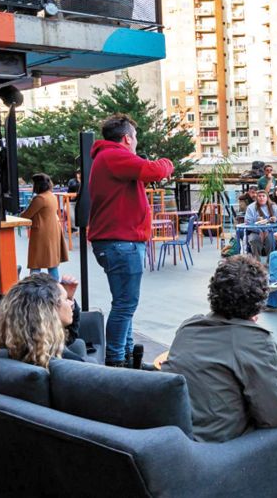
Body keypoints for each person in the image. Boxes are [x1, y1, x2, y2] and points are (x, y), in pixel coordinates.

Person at [165, 256, 277, 443]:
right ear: (260, 299)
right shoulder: (256, 339)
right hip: (219, 449)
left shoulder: (189, 327)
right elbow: (274, 415)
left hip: (178, 439)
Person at [88, 114, 174, 367]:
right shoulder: (114, 155)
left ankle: (125, 356)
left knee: (125, 303)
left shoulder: (108, 157)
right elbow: (155, 170)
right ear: (127, 138)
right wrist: (167, 163)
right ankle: (116, 361)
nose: (136, 142)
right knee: (125, 304)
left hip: (117, 242)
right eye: (135, 137)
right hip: (120, 243)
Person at [0, 273, 77, 368]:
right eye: (66, 299)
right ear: (49, 310)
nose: (71, 303)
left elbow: (70, 336)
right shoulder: (69, 367)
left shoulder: (2, 351)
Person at [20, 173, 68, 280]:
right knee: (52, 264)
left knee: (36, 264)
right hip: (52, 231)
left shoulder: (40, 199)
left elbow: (26, 215)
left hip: (42, 233)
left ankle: (33, 290)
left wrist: (21, 214)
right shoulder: (51, 196)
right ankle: (56, 290)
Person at [245, 190, 277, 259]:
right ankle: (256, 262)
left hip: (271, 231)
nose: (261, 198)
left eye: (263, 196)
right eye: (259, 196)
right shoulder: (251, 207)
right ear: (256, 198)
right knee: (254, 240)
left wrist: (275, 219)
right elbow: (248, 222)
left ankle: (270, 261)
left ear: (267, 197)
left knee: (271, 240)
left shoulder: (273, 206)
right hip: (255, 231)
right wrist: (259, 230)